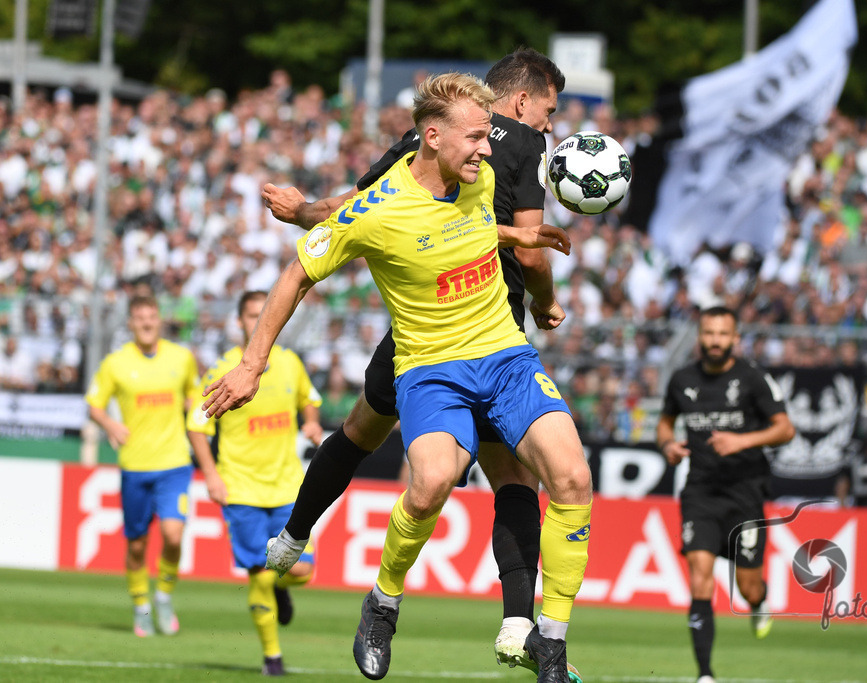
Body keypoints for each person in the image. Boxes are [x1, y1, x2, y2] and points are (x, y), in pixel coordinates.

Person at [202, 73, 591, 683]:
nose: (486, 149)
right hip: (430, 366)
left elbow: (459, 228)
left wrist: (512, 233)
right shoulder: (375, 210)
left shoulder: (480, 177)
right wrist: (253, 363)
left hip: (505, 355)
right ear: (432, 137)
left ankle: (553, 648)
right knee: (429, 484)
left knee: (573, 477)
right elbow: (297, 274)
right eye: (475, 137)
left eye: (487, 136)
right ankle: (383, 602)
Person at [186, 291, 323, 676]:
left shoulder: (290, 363)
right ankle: (272, 658)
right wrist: (211, 475)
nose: (258, 320)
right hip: (241, 490)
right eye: (251, 315)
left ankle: (280, 588)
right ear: (239, 321)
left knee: (302, 571)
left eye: (264, 313)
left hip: (287, 488)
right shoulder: (223, 369)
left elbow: (309, 398)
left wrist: (312, 422)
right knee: (259, 574)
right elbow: (196, 424)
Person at [656, 306, 795, 683]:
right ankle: (705, 674)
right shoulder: (682, 379)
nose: (714, 341)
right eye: (709, 333)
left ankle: (759, 600)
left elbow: (785, 429)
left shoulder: (753, 378)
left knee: (747, 586)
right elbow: (665, 422)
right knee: (699, 576)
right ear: (699, 336)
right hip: (700, 492)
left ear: (735, 338)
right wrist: (667, 444)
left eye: (722, 334)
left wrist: (742, 441)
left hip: (744, 493)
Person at [85, 295, 200, 638]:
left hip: (174, 463)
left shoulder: (181, 358)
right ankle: (141, 607)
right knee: (136, 545)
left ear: (160, 320)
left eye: (152, 316)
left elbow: (193, 396)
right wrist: (110, 424)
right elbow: (94, 404)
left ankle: (163, 595)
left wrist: (195, 408)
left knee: (173, 535)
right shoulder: (115, 363)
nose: (147, 322)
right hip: (135, 466)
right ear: (131, 323)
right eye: (140, 317)